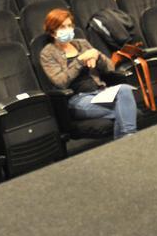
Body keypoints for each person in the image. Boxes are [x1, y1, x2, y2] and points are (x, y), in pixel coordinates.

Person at [38, 8, 137, 139]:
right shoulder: (47, 53)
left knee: (124, 90)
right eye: (62, 27)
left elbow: (110, 67)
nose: (67, 30)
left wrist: (97, 56)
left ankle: (127, 138)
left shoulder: (82, 44)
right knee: (127, 108)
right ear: (52, 31)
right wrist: (80, 60)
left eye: (69, 26)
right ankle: (130, 138)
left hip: (100, 93)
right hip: (78, 100)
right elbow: (61, 82)